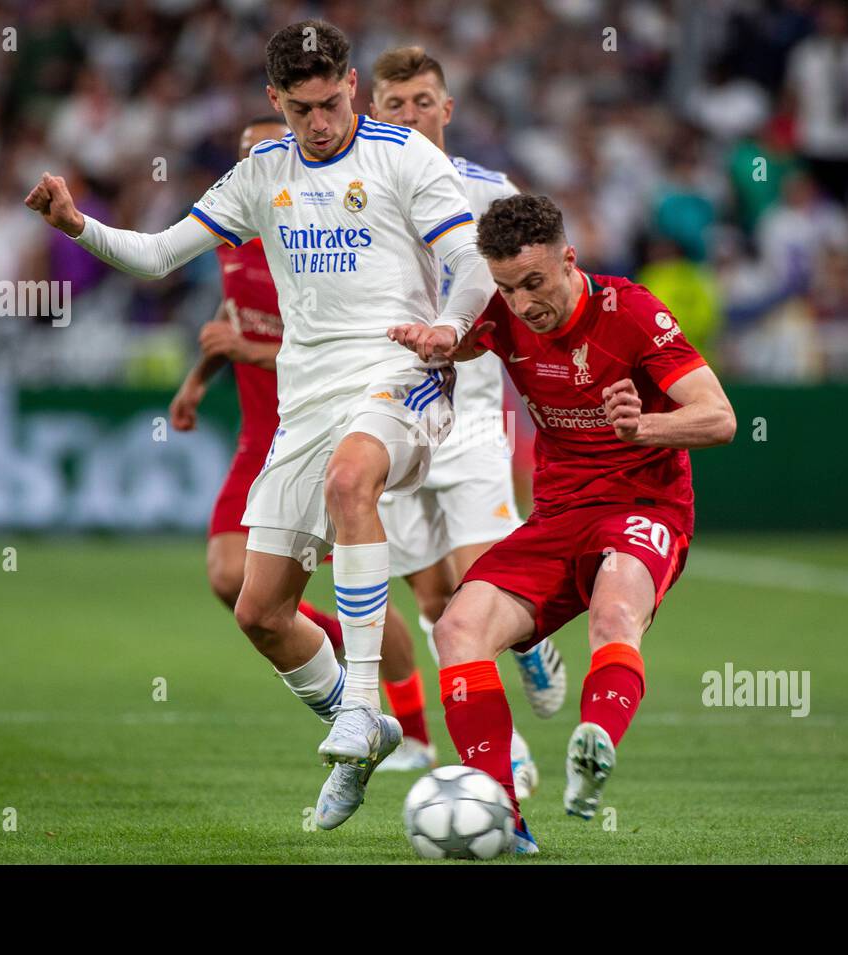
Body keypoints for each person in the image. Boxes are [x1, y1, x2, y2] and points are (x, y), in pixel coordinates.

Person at [25, 19, 495, 830]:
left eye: (331, 99)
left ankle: (360, 708)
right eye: (302, 107)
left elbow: (473, 265)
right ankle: (370, 732)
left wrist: (449, 326)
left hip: (405, 374)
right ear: (274, 99)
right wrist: (76, 224)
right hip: (306, 399)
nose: (321, 120)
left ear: (351, 82)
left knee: (354, 480)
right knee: (260, 613)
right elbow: (157, 255)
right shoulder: (260, 175)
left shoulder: (402, 154)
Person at [391, 194, 736, 853]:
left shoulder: (630, 311)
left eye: (534, 283)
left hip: (643, 504)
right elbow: (464, 341)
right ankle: (504, 817)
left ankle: (596, 738)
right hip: (559, 516)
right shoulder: (502, 313)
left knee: (615, 614)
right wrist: (438, 340)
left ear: (568, 261)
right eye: (506, 288)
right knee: (458, 627)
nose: (523, 304)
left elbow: (719, 418)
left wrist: (645, 427)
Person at [367, 46, 566, 791]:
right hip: (388, 412)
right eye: (395, 104)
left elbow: (529, 289)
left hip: (470, 410)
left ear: (446, 109)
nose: (411, 114)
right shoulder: (359, 192)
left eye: (423, 101)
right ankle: (509, 687)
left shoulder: (489, 193)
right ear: (374, 112)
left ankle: (505, 745)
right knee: (431, 598)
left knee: (483, 578)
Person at [168, 117, 343, 664]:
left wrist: (245, 350)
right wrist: (198, 379)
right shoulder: (232, 233)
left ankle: (401, 713)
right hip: (259, 436)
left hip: (322, 436)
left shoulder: (321, 243)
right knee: (228, 576)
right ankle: (339, 648)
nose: (255, 165)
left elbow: (337, 352)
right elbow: (234, 310)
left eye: (267, 153)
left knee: (367, 587)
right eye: (246, 155)